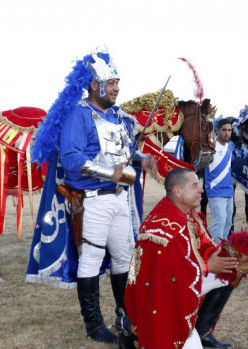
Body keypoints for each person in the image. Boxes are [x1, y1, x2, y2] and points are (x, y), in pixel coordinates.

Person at [54, 48, 157, 345]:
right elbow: (72, 157)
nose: (117, 88)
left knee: (124, 258)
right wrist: (107, 172)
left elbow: (125, 156)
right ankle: (94, 325)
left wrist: (142, 160)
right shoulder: (79, 115)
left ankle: (125, 315)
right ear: (95, 85)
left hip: (120, 198)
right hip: (92, 199)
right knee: (92, 259)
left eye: (117, 82)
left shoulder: (119, 117)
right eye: (112, 82)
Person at [124, 168, 239, 348]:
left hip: (183, 282)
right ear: (177, 191)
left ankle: (202, 331)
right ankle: (129, 326)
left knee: (230, 270)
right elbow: (168, 279)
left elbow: (202, 249)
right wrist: (207, 267)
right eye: (194, 186)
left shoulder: (186, 215)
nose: (201, 190)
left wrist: (235, 257)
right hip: (163, 295)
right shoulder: (165, 225)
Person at [205, 118, 248, 243]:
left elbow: (232, 163)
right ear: (217, 130)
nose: (227, 133)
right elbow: (200, 163)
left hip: (229, 192)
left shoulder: (229, 147)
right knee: (220, 222)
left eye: (229, 130)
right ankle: (213, 252)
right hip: (216, 191)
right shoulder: (210, 147)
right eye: (224, 130)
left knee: (228, 222)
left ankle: (222, 249)